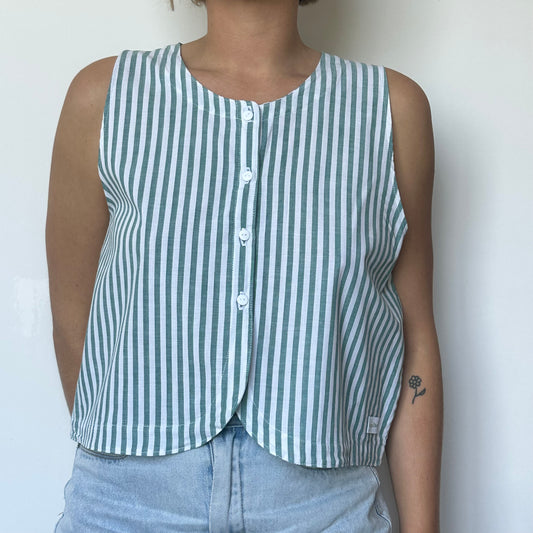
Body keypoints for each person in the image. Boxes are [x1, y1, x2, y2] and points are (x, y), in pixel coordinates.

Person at [46, 0, 443, 531]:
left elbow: (413, 334)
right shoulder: (107, 97)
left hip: (323, 507)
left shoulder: (390, 110)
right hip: (127, 502)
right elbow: (75, 318)